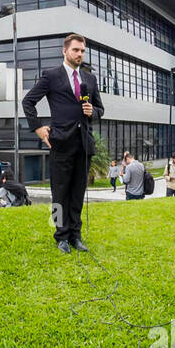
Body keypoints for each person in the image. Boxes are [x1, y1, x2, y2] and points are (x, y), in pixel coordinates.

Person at [22, 34, 105, 252]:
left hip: (84, 144)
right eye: (76, 50)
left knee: (78, 192)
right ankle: (60, 236)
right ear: (65, 51)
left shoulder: (90, 79)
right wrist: (39, 129)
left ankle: (75, 236)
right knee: (59, 193)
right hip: (60, 143)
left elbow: (101, 110)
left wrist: (92, 111)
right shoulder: (51, 76)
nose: (79, 54)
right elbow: (28, 102)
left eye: (82, 51)